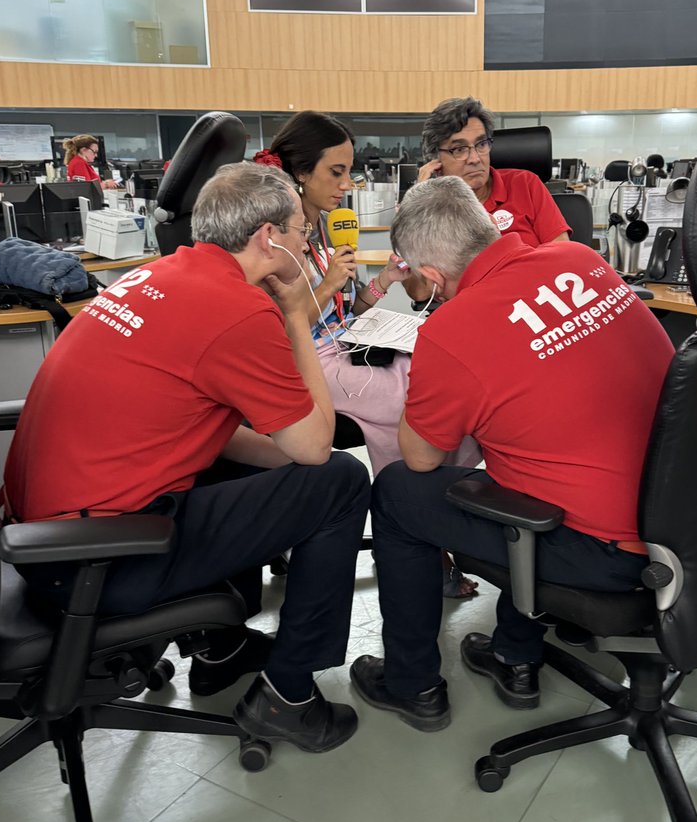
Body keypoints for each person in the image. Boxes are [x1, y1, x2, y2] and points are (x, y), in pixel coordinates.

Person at [2, 161, 370, 754]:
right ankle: (288, 695)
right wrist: (298, 316)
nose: (309, 241)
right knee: (344, 481)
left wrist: (290, 472)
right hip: (95, 560)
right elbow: (315, 446)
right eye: (303, 230)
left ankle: (218, 648)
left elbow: (197, 428)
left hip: (44, 533)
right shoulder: (239, 310)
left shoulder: (159, 275)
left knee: (265, 465)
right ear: (268, 238)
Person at [349, 177, 675, 731]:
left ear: (431, 276)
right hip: (682, 516)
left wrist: (437, 371)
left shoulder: (452, 329)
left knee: (401, 492)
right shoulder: (578, 256)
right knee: (528, 466)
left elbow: (423, 459)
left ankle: (412, 683)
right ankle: (512, 653)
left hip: (610, 551)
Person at [259, 112, 481, 599]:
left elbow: (344, 312)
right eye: (335, 172)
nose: (347, 184)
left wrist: (382, 284)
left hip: (346, 341)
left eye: (348, 171)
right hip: (306, 363)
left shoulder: (323, 233)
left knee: (439, 376)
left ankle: (442, 518)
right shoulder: (274, 238)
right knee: (406, 404)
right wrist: (329, 284)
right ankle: (410, 529)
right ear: (300, 174)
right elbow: (281, 329)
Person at [417, 97, 570, 245]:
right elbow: (417, 264)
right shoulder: (433, 207)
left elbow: (563, 253)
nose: (475, 159)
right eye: (459, 149)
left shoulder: (525, 184)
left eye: (481, 144)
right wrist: (420, 201)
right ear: (436, 160)